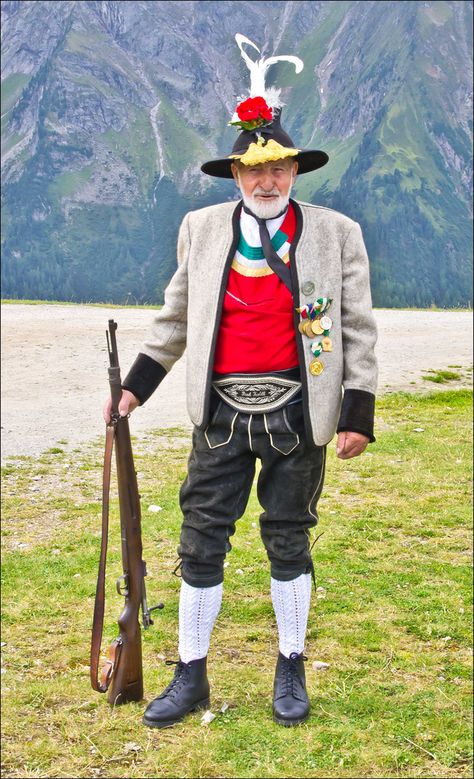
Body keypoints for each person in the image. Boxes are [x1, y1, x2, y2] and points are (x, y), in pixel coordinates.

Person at [104, 34, 377, 728]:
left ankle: (291, 664)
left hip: (297, 414)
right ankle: (190, 673)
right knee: (200, 541)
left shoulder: (336, 234)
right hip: (219, 414)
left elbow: (356, 331)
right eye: (254, 170)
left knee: (288, 537)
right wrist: (133, 387)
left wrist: (356, 412)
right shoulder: (199, 230)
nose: (267, 181)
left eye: (279, 168)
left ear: (294, 171)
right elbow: (174, 318)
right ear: (234, 172)